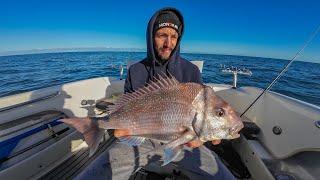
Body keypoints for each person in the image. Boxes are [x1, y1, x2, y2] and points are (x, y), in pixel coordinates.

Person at [75, 7, 236, 180]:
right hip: (142, 138)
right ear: (151, 37)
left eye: (174, 37)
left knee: (222, 176)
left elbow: (201, 118)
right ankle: (95, 126)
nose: (168, 43)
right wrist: (113, 125)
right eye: (162, 35)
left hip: (185, 143)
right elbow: (127, 104)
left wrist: (203, 137)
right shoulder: (135, 70)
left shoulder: (191, 71)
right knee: (95, 174)